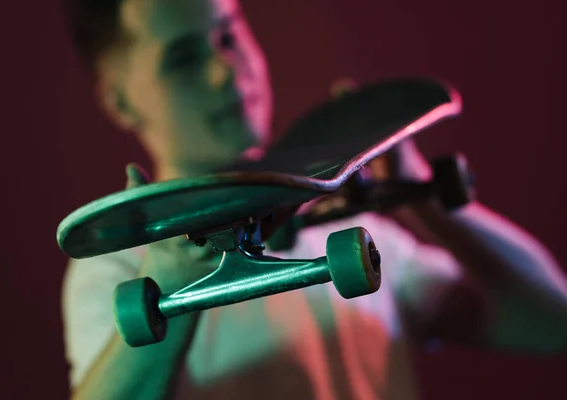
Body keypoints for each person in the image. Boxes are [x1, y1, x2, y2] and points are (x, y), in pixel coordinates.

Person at [59, 0, 567, 399]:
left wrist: (423, 198)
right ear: (120, 99)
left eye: (229, 35)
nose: (224, 71)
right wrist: (169, 288)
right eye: (184, 59)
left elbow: (551, 325)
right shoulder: (119, 271)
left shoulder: (349, 231)